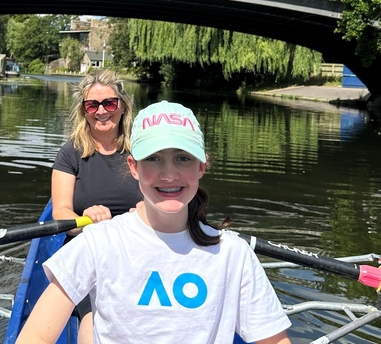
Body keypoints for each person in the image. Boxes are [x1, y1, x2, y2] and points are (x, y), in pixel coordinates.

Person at [18, 101, 292, 344]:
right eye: (154, 158)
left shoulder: (234, 254)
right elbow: (36, 337)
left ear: (201, 167)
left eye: (183, 158)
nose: (169, 174)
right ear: (134, 167)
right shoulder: (97, 242)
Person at [51, 69, 142, 343]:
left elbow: (165, 200)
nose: (102, 111)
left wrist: (150, 214)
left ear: (122, 106)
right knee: (94, 323)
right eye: (93, 105)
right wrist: (85, 220)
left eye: (109, 103)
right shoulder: (71, 153)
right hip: (90, 252)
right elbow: (61, 213)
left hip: (137, 250)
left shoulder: (142, 150)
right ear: (84, 110)